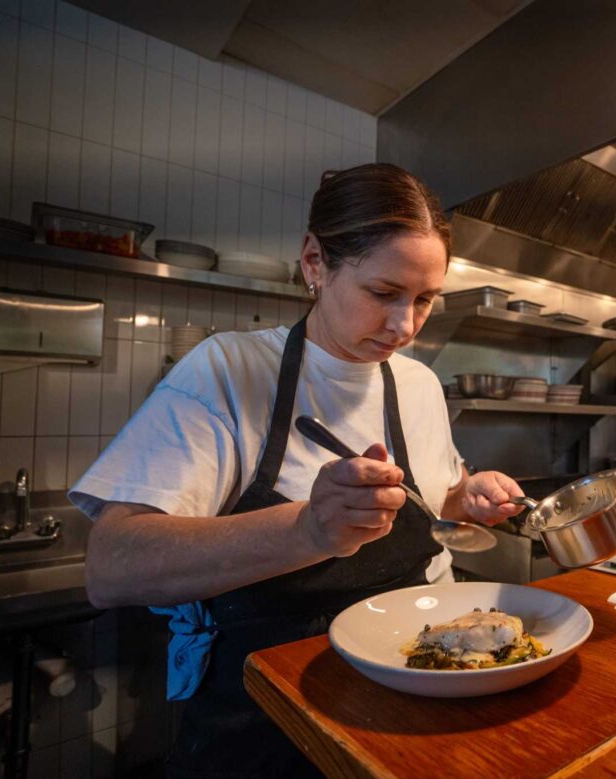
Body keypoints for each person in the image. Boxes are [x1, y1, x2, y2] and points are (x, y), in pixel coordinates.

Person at [69, 164, 526, 777]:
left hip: (419, 689)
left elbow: (431, 503)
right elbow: (113, 568)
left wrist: (465, 496)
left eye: (424, 300)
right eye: (383, 293)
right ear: (315, 261)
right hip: (268, 719)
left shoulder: (417, 384)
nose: (405, 326)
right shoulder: (227, 371)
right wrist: (309, 531)